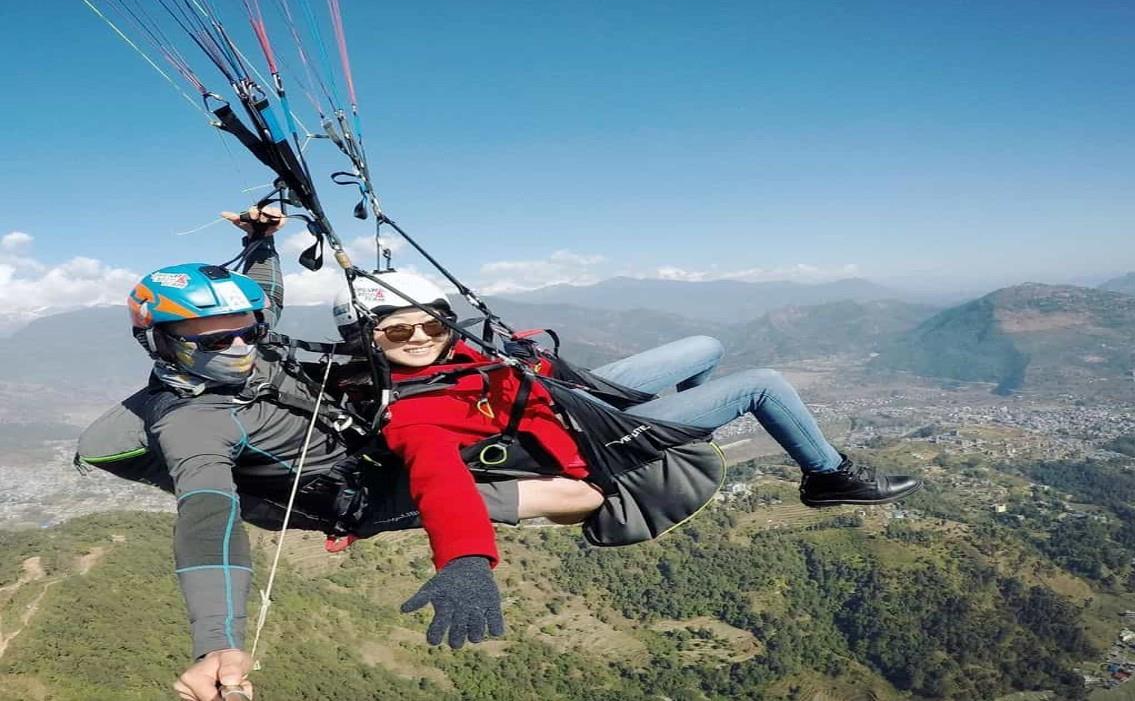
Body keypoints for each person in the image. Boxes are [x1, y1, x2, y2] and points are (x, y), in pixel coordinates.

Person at [77, 209, 596, 701]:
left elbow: (266, 298)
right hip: (356, 499)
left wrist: (260, 241)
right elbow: (208, 521)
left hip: (364, 450)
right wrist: (217, 642)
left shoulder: (250, 342)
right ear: (160, 343)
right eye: (216, 340)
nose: (239, 347)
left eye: (247, 331)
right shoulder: (193, 423)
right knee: (579, 496)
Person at [338, 273, 922, 650]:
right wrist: (465, 560)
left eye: (430, 324)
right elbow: (440, 483)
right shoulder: (412, 415)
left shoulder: (460, 353)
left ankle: (676, 426)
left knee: (706, 346)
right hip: (591, 442)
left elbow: (507, 374)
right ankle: (828, 477)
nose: (418, 337)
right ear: (370, 339)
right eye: (397, 332)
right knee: (763, 384)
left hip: (574, 397)